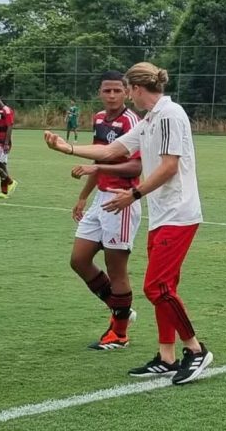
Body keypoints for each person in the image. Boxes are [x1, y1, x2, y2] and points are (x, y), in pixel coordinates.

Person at [44, 62, 213, 385]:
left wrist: (133, 194)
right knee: (164, 288)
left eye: (125, 89)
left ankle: (195, 350)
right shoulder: (151, 119)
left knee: (157, 287)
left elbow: (169, 167)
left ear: (135, 89)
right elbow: (111, 150)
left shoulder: (169, 115)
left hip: (179, 214)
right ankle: (167, 357)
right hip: (163, 214)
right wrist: (67, 148)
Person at [69, 71, 142, 351]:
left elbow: (136, 167)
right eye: (106, 91)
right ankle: (120, 309)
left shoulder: (132, 121)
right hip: (101, 199)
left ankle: (119, 334)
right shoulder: (99, 118)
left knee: (116, 268)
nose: (111, 95)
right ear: (100, 92)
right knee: (79, 260)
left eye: (116, 91)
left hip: (122, 200)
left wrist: (98, 168)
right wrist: (83, 196)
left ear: (126, 92)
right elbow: (99, 157)